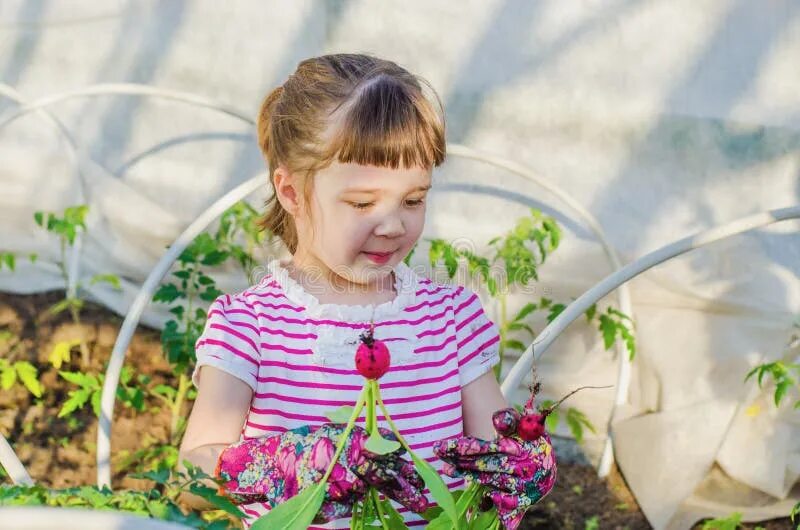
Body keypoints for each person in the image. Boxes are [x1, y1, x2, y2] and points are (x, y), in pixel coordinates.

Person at [178, 53, 556, 530]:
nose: (394, 224)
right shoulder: (251, 325)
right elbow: (191, 475)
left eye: (414, 200)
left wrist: (519, 466)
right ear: (292, 193)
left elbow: (493, 446)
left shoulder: (450, 318)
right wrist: (284, 464)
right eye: (362, 203)